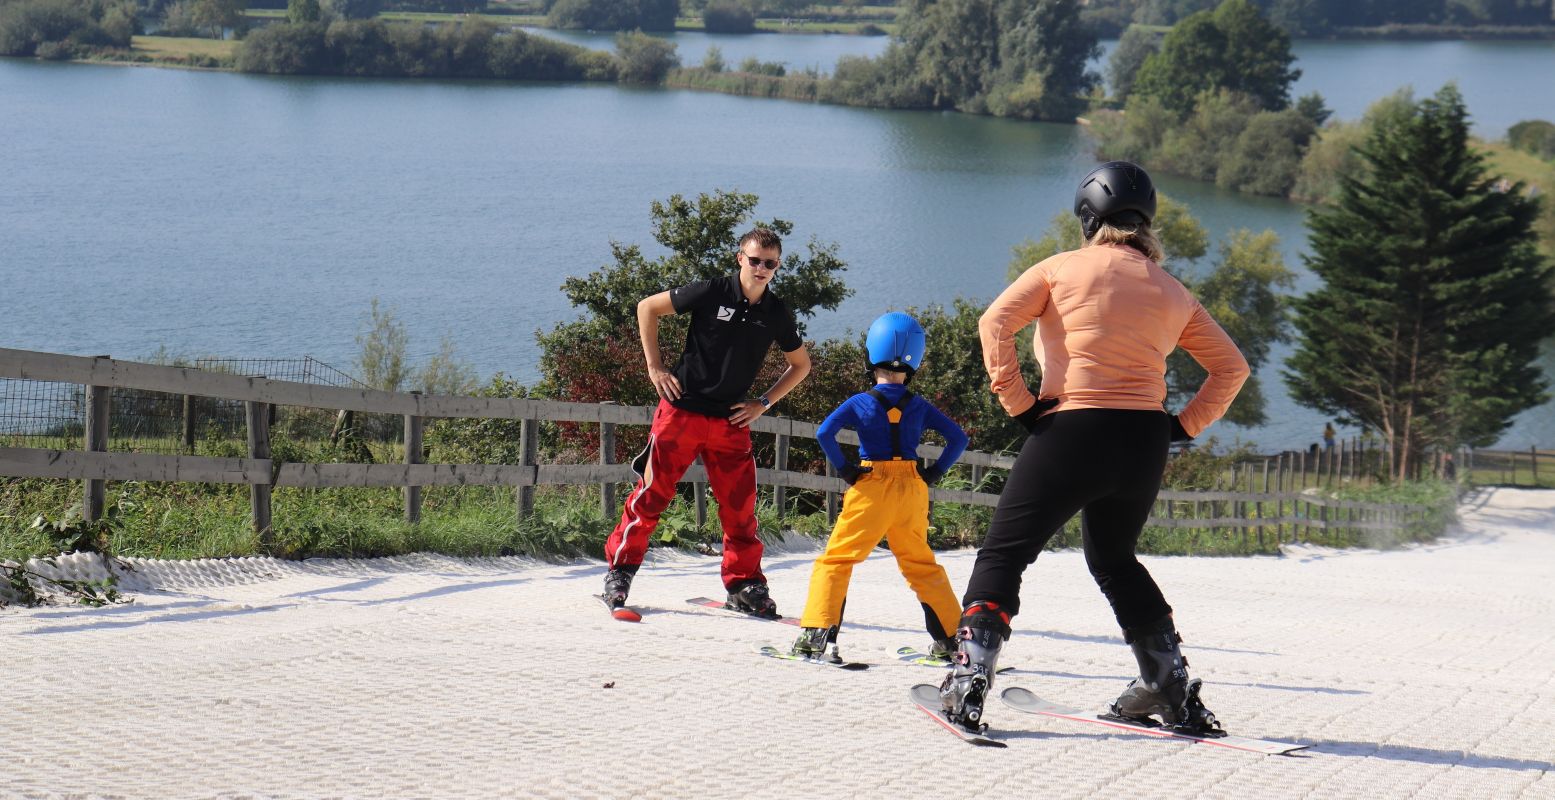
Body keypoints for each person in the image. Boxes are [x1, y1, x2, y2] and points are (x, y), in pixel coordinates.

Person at [940, 161, 1251, 735]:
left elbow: (994, 324)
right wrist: (1182, 427)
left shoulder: (1060, 269)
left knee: (1004, 554)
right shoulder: (1174, 291)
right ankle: (1167, 686)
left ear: (1087, 219)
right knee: (1115, 561)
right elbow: (1232, 368)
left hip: (1073, 430)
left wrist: (1021, 404)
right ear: (1146, 223)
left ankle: (968, 676)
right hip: (1143, 442)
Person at [601, 228, 812, 617]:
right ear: (740, 259)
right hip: (682, 410)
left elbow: (801, 365)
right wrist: (655, 367)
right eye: (755, 260)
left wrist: (763, 403)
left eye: (770, 263)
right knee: (651, 496)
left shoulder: (775, 313)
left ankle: (745, 585)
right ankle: (620, 572)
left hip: (731, 421)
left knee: (740, 509)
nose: (761, 268)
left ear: (778, 265)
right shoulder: (713, 291)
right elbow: (647, 308)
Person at [789, 312, 969, 664]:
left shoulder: (861, 402)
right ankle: (952, 641)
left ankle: (816, 637)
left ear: (871, 353)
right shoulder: (919, 405)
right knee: (921, 565)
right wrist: (933, 474)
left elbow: (825, 433)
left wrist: (845, 470)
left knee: (837, 560)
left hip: (872, 485)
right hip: (912, 488)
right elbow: (958, 438)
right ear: (914, 359)